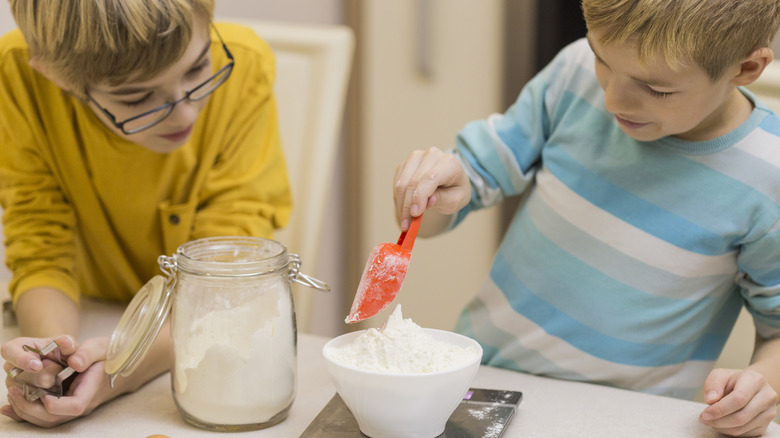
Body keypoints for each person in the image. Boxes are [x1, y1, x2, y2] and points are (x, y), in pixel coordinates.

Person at [392, 0, 780, 436]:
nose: (613, 99)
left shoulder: (769, 177)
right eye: (602, 59)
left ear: (746, 68)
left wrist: (760, 386)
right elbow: (471, 182)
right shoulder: (574, 72)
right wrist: (438, 192)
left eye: (657, 89)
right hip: (482, 385)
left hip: (619, 420)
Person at [0, 0, 291, 427]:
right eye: (137, 97)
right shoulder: (17, 78)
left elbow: (226, 285)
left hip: (216, 338)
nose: (185, 111)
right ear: (57, 76)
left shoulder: (244, 65)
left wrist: (123, 369)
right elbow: (40, 245)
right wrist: (53, 356)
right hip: (93, 315)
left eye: (197, 69)